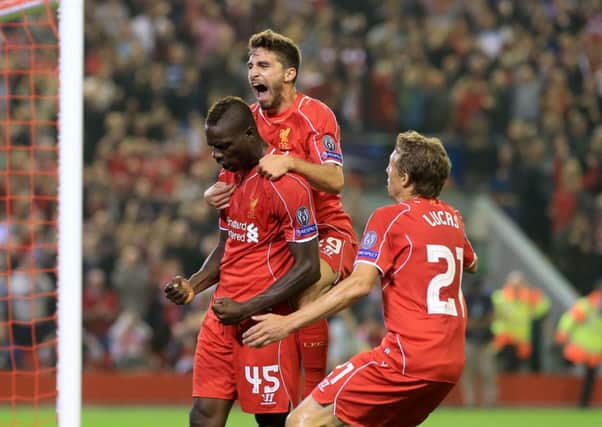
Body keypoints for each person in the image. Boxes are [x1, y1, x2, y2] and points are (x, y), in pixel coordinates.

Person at [242, 131, 478, 427]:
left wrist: (287, 323)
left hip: (405, 359)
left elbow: (359, 285)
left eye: (391, 164)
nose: (386, 170)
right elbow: (472, 262)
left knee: (302, 421)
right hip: (448, 366)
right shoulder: (453, 218)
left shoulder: (389, 217)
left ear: (405, 178)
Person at [205, 29, 358, 396]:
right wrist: (215, 191)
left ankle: (315, 395)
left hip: (326, 232)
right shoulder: (248, 120)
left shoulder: (315, 115)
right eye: (250, 65)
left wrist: (290, 161)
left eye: (264, 65)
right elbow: (232, 173)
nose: (253, 72)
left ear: (289, 73)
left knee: (305, 290)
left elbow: (336, 180)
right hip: (277, 240)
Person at [164, 96, 321, 427]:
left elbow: (309, 267)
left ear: (250, 135)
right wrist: (194, 285)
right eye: (212, 147)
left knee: (273, 421)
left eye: (224, 145)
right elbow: (227, 245)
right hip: (221, 319)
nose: (217, 155)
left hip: (264, 323)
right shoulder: (228, 180)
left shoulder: (287, 185)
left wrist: (247, 308)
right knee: (203, 416)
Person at [555, 279, 602, 408]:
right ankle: (561, 397)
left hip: (596, 349)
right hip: (580, 346)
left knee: (590, 377)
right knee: (568, 365)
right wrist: (562, 334)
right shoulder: (586, 305)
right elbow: (570, 318)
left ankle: (584, 404)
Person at [491, 271, 550, 372]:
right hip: (503, 341)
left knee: (517, 370)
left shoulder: (529, 299)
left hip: (521, 342)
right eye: (514, 285)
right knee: (502, 368)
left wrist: (534, 294)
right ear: (508, 284)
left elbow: (543, 307)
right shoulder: (499, 298)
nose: (516, 288)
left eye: (520, 285)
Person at [461, 277, 496, 407]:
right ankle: (470, 401)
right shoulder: (466, 298)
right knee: (468, 373)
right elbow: (465, 321)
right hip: (469, 340)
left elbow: (490, 317)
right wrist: (476, 324)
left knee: (487, 372)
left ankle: (489, 401)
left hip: (485, 341)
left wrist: (474, 324)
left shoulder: (486, 298)